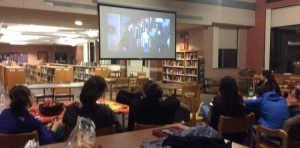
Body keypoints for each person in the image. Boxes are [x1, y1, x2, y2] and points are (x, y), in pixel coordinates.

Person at [199, 76, 246, 143]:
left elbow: (213, 127)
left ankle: (202, 106)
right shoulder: (241, 106)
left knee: (204, 109)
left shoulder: (218, 104)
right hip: (239, 140)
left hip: (222, 140)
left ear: (221, 88)